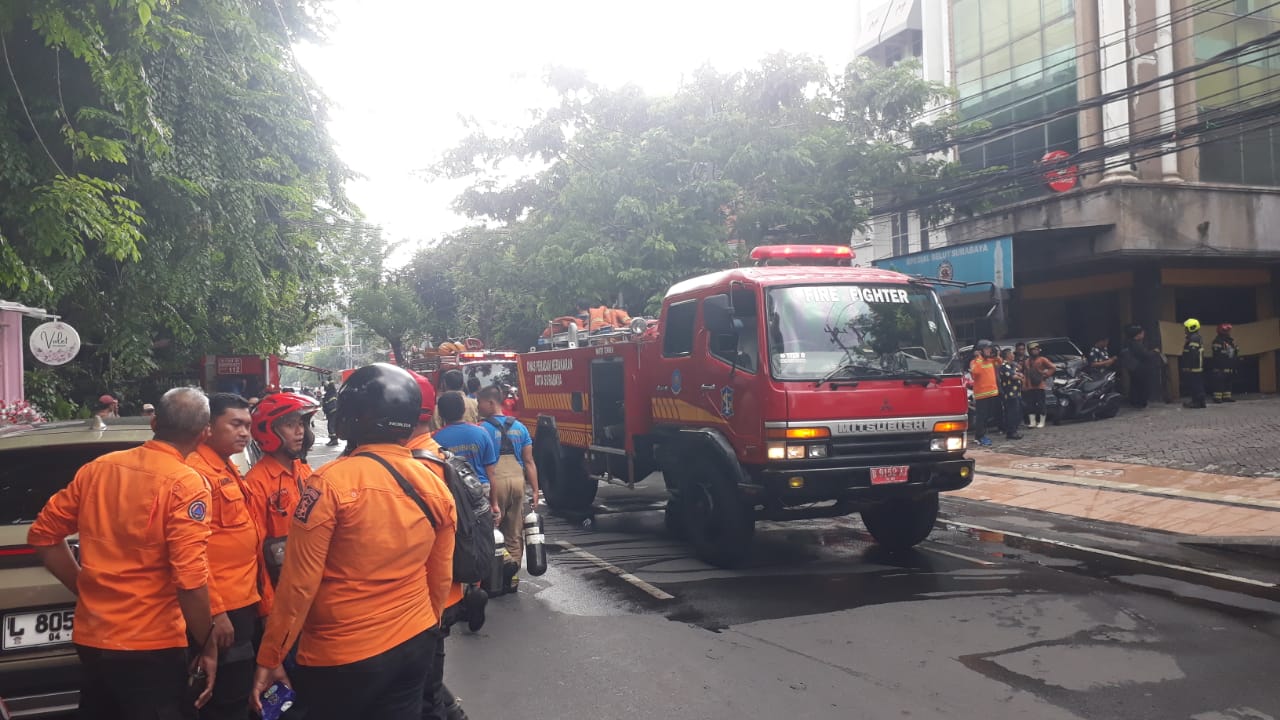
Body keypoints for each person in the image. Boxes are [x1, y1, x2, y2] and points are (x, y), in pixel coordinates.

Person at [251, 363, 456, 720]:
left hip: (343, 653)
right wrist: (427, 627)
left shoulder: (328, 484)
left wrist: (270, 656)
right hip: (415, 640)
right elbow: (439, 577)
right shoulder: (434, 484)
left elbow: (298, 585)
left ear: (353, 418)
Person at [28, 387, 218, 718]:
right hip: (151, 644)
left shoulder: (99, 468)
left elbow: (43, 536)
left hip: (93, 637)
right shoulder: (187, 484)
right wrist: (208, 645)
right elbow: (189, 580)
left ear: (154, 423)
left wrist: (84, 587)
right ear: (204, 434)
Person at [184, 393, 260, 720]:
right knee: (226, 697)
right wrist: (214, 611)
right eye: (236, 424)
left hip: (243, 600)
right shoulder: (196, 472)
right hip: (223, 608)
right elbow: (193, 550)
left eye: (248, 425)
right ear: (208, 427)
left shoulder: (225, 465)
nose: (244, 433)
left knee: (239, 689)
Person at [405, 373, 473, 720]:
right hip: (443, 594)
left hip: (427, 599)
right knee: (427, 683)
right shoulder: (435, 454)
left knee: (424, 689)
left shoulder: (416, 465)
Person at [243, 391, 320, 615]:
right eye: (290, 424)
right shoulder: (257, 483)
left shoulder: (304, 470)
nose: (300, 431)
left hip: (311, 586)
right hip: (282, 594)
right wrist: (268, 606)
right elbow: (256, 552)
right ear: (270, 430)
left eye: (301, 424)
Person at [477, 385, 541, 594]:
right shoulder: (520, 428)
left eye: (480, 403)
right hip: (517, 482)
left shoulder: (482, 429)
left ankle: (496, 577)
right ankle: (512, 580)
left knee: (491, 530)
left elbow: (482, 463)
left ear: (491, 403)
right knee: (514, 533)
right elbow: (529, 461)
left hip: (496, 482)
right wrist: (535, 490)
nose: (478, 407)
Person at [433, 392, 499, 491]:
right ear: (464, 410)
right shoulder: (482, 432)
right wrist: (494, 500)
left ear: (440, 414)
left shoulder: (434, 439)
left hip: (454, 492)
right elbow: (491, 472)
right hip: (481, 490)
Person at [1121, 325, 1162, 409]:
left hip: (1133, 368)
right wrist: (1154, 352)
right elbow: (1145, 355)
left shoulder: (1129, 343)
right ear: (1138, 334)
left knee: (1135, 385)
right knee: (1142, 386)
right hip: (1139, 368)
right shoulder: (1136, 344)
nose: (1144, 334)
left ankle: (1135, 402)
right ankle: (1141, 402)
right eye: (1142, 333)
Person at [969, 340, 1000, 447]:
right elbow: (976, 372)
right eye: (987, 349)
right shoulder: (975, 362)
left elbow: (999, 362)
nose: (989, 350)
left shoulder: (990, 360)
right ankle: (979, 437)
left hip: (992, 393)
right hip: (982, 394)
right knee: (981, 417)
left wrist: (996, 354)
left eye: (990, 348)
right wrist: (979, 357)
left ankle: (983, 434)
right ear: (980, 350)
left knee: (987, 417)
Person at [1022, 341, 1056, 428]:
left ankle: (1042, 422)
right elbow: (1025, 374)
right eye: (1033, 350)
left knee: (1041, 404)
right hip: (1030, 386)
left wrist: (1046, 375)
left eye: (1036, 349)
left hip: (1039, 385)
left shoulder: (1042, 359)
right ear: (1029, 351)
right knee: (1030, 405)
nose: (1035, 351)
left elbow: (1053, 367)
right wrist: (1024, 384)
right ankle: (1032, 422)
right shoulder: (1026, 362)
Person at [997, 348, 1024, 440]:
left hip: (1016, 393)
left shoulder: (1011, 365)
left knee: (1017, 412)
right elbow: (1013, 376)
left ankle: (1014, 430)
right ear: (1008, 355)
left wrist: (1019, 375)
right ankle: (1011, 432)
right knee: (1012, 413)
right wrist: (1020, 377)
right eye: (1012, 354)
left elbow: (1018, 372)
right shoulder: (1004, 366)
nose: (1013, 355)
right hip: (1010, 394)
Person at [1181, 318, 1207, 409]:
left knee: (1195, 385)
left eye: (1186, 328)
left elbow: (1193, 354)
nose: (1185, 330)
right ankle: (1200, 402)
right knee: (1197, 384)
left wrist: (1188, 365)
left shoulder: (1194, 338)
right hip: (1196, 365)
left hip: (1194, 366)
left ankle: (1197, 402)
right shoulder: (1195, 337)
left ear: (1191, 328)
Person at [1211, 323, 1238, 403]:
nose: (1228, 332)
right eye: (1226, 330)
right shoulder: (1217, 341)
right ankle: (1217, 398)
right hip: (1220, 367)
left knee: (1228, 382)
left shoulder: (1231, 341)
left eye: (1229, 330)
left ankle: (1227, 397)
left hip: (1229, 366)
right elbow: (1218, 355)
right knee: (1219, 383)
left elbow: (1234, 352)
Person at [322, 382, 340, 446]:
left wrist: (327, 410)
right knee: (331, 426)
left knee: (331, 426)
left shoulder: (331, 394)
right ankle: (333, 439)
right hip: (332, 413)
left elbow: (332, 405)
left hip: (332, 413)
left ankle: (334, 440)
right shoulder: (331, 393)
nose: (324, 388)